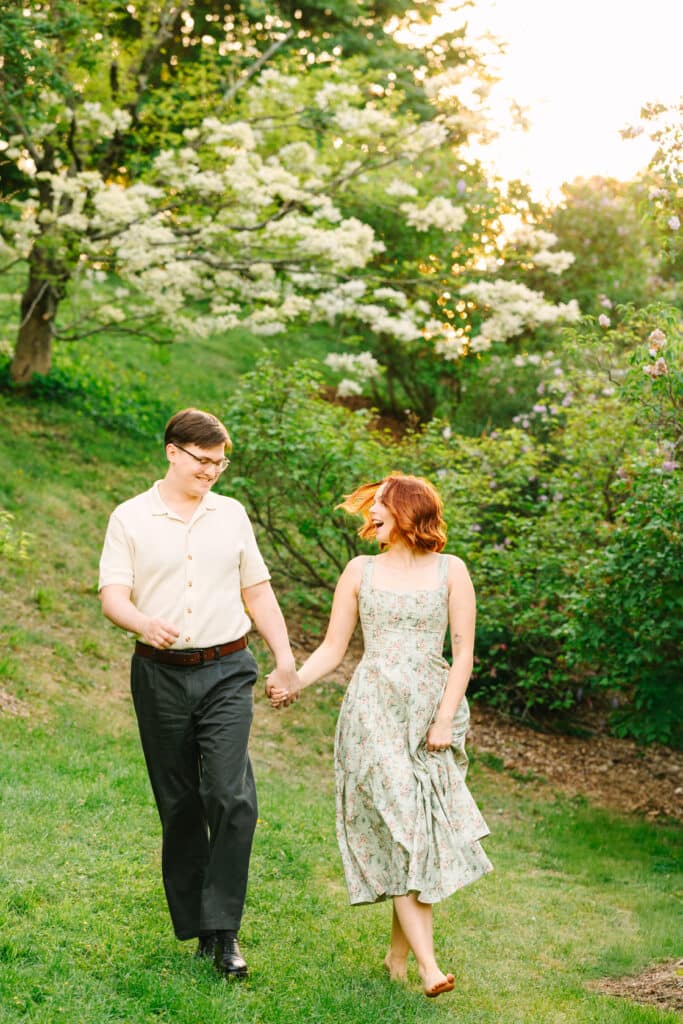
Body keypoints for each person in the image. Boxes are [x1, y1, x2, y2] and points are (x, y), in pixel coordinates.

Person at [268, 473, 492, 998]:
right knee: (404, 823)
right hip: (373, 711)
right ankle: (430, 968)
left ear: (408, 511)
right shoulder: (359, 571)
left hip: (431, 709)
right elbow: (334, 648)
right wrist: (295, 680)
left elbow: (463, 654)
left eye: (381, 506)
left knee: (415, 833)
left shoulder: (452, 570)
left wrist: (443, 718)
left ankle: (397, 957)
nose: (371, 515)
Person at [99, 407, 299, 978]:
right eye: (202, 460)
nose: (211, 471)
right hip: (158, 674)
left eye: (220, 463)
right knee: (181, 802)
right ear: (173, 452)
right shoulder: (130, 517)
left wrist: (285, 659)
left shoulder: (231, 515)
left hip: (227, 669)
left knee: (231, 796)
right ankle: (200, 928)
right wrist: (142, 622)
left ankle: (225, 930)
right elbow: (112, 595)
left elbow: (257, 592)